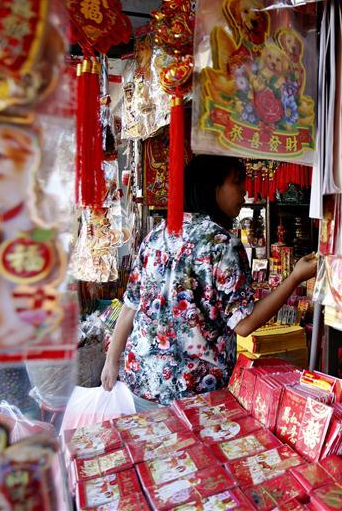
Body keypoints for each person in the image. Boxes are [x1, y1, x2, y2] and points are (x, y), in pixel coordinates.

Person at [101, 155, 318, 406]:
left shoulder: (155, 236)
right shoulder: (221, 243)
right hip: (196, 393)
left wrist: (111, 361)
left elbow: (130, 306)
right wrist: (294, 278)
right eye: (237, 183)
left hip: (144, 382)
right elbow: (244, 323)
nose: (245, 191)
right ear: (212, 187)